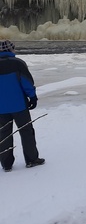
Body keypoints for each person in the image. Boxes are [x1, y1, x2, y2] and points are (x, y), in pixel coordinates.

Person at [0, 40, 45, 172]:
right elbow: (26, 82)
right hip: (19, 105)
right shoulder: (18, 63)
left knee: (4, 134)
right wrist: (32, 97)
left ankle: (6, 164)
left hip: (1, 108)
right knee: (26, 132)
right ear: (10, 50)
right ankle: (31, 159)